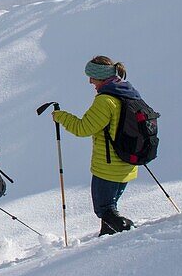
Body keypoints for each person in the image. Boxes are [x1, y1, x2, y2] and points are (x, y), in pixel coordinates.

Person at [52, 55, 140, 236]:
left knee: (105, 209)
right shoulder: (127, 92)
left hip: (108, 167)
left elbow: (83, 128)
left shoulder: (105, 101)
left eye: (92, 76)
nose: (90, 81)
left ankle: (129, 230)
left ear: (101, 76)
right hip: (127, 163)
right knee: (110, 207)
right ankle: (107, 236)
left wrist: (60, 116)